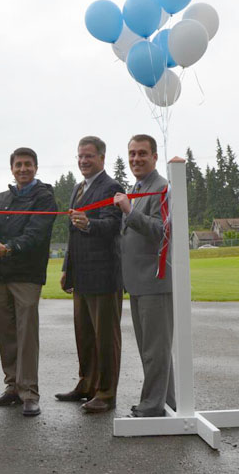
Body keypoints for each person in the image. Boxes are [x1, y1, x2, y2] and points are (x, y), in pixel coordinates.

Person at [0, 147, 56, 417]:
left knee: (26, 335)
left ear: (36, 167)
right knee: (7, 334)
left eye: (28, 164)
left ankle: (29, 392)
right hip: (2, 274)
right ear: (12, 168)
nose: (23, 169)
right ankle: (13, 387)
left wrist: (10, 248)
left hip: (26, 276)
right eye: (18, 165)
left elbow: (36, 234)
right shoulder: (2, 198)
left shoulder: (44, 198)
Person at [56, 136, 123, 414]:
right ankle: (87, 384)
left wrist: (89, 224)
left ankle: (106, 393)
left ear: (102, 158)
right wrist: (65, 270)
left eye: (89, 156)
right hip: (81, 277)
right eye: (80, 156)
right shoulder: (78, 188)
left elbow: (113, 224)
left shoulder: (112, 187)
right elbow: (73, 233)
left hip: (104, 277)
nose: (84, 161)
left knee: (105, 338)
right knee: (84, 335)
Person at [113, 134, 175, 418]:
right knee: (153, 348)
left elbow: (163, 231)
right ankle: (172, 401)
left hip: (155, 281)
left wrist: (128, 210)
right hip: (138, 281)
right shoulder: (138, 188)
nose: (136, 159)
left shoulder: (161, 188)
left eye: (142, 154)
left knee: (154, 349)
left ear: (154, 157)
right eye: (132, 154)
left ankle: (152, 406)